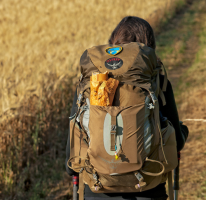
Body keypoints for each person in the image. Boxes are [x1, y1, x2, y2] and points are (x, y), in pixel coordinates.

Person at [65, 16, 189, 200]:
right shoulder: (158, 83)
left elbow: (71, 160)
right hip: (148, 188)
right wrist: (183, 130)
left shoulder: (92, 85)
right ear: (148, 47)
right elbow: (176, 143)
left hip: (98, 189)